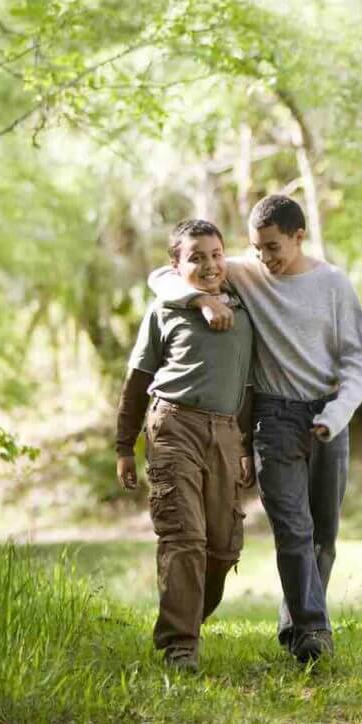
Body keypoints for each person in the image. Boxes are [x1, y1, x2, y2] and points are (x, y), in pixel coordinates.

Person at [147, 195, 362, 664]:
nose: (264, 258)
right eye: (255, 248)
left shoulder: (332, 283)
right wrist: (203, 298)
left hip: (330, 413)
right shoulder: (248, 273)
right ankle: (313, 631)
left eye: (273, 247)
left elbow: (360, 360)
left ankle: (297, 625)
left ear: (298, 236)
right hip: (275, 416)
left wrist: (336, 415)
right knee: (292, 527)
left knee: (323, 535)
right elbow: (164, 275)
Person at [115, 218, 255, 673]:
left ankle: (184, 621)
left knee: (223, 547)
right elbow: (136, 383)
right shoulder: (164, 312)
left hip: (227, 432)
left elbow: (250, 385)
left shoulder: (245, 309)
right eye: (196, 257)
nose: (210, 264)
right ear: (177, 266)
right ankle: (181, 647)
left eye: (216, 254)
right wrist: (123, 446)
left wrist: (246, 444)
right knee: (184, 536)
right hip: (175, 425)